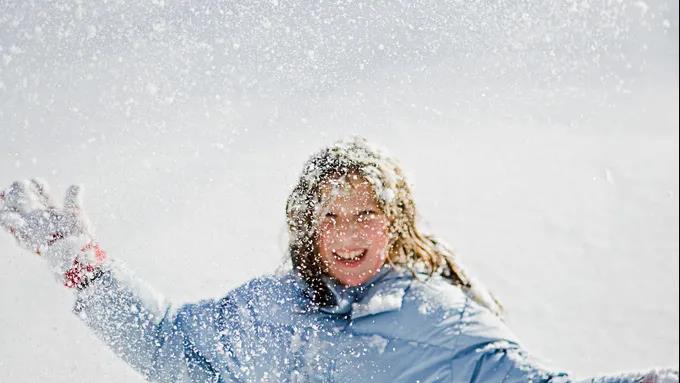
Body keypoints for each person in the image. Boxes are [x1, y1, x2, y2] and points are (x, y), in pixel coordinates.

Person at [0, 137, 677, 383]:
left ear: (396, 224)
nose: (347, 233)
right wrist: (83, 263)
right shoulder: (269, 307)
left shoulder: (436, 319)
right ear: (307, 227)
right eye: (331, 216)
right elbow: (170, 347)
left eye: (365, 215)